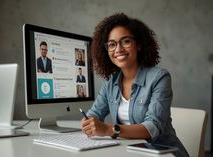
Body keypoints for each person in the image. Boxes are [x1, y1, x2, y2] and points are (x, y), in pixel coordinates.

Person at [81, 13, 189, 157]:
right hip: (129, 152)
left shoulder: (159, 77)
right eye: (112, 44)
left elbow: (152, 127)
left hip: (163, 153)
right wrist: (88, 122)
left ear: (138, 44)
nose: (118, 49)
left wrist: (108, 129)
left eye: (125, 41)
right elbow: (95, 113)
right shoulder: (110, 82)